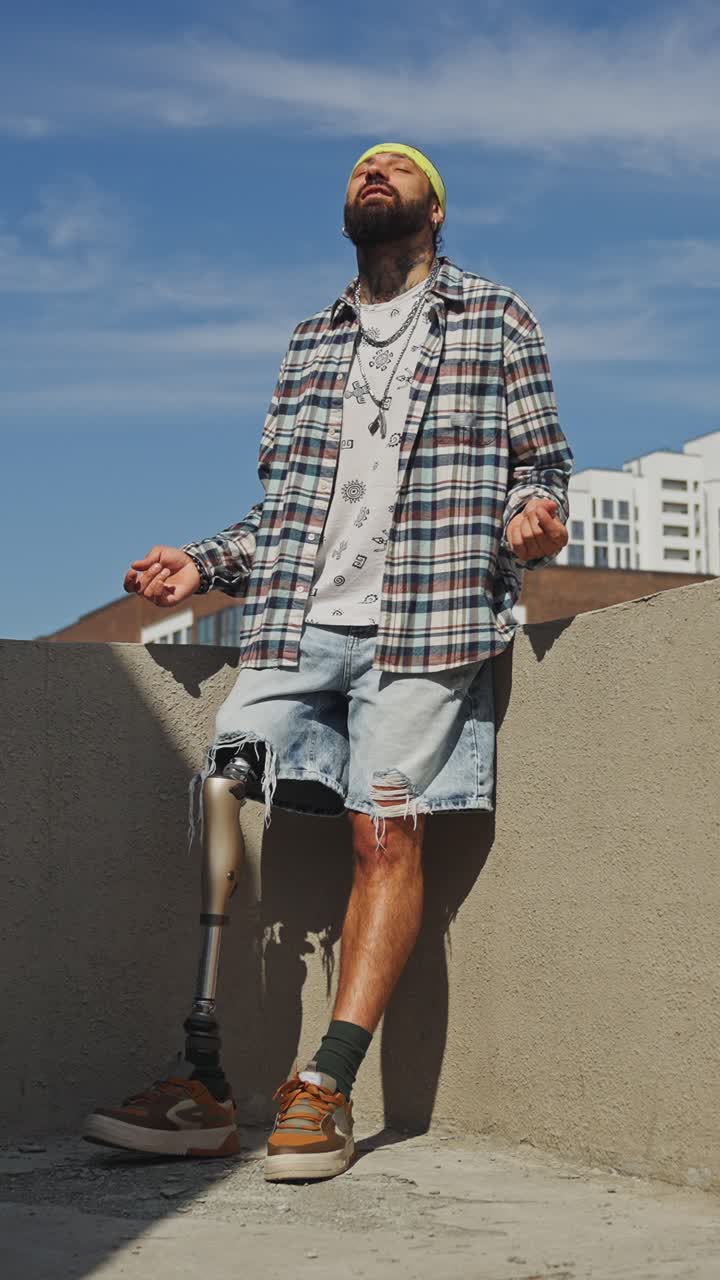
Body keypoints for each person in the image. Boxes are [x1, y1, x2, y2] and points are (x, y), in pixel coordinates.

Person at [84, 143, 573, 1181]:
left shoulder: (497, 316)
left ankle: (327, 1085)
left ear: (436, 210)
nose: (375, 172)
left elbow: (542, 465)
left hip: (430, 618)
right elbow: (285, 513)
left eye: (400, 167)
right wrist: (202, 563)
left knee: (382, 831)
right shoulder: (312, 340)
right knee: (222, 785)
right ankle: (202, 1081)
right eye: (361, 168)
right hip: (298, 618)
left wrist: (534, 518)